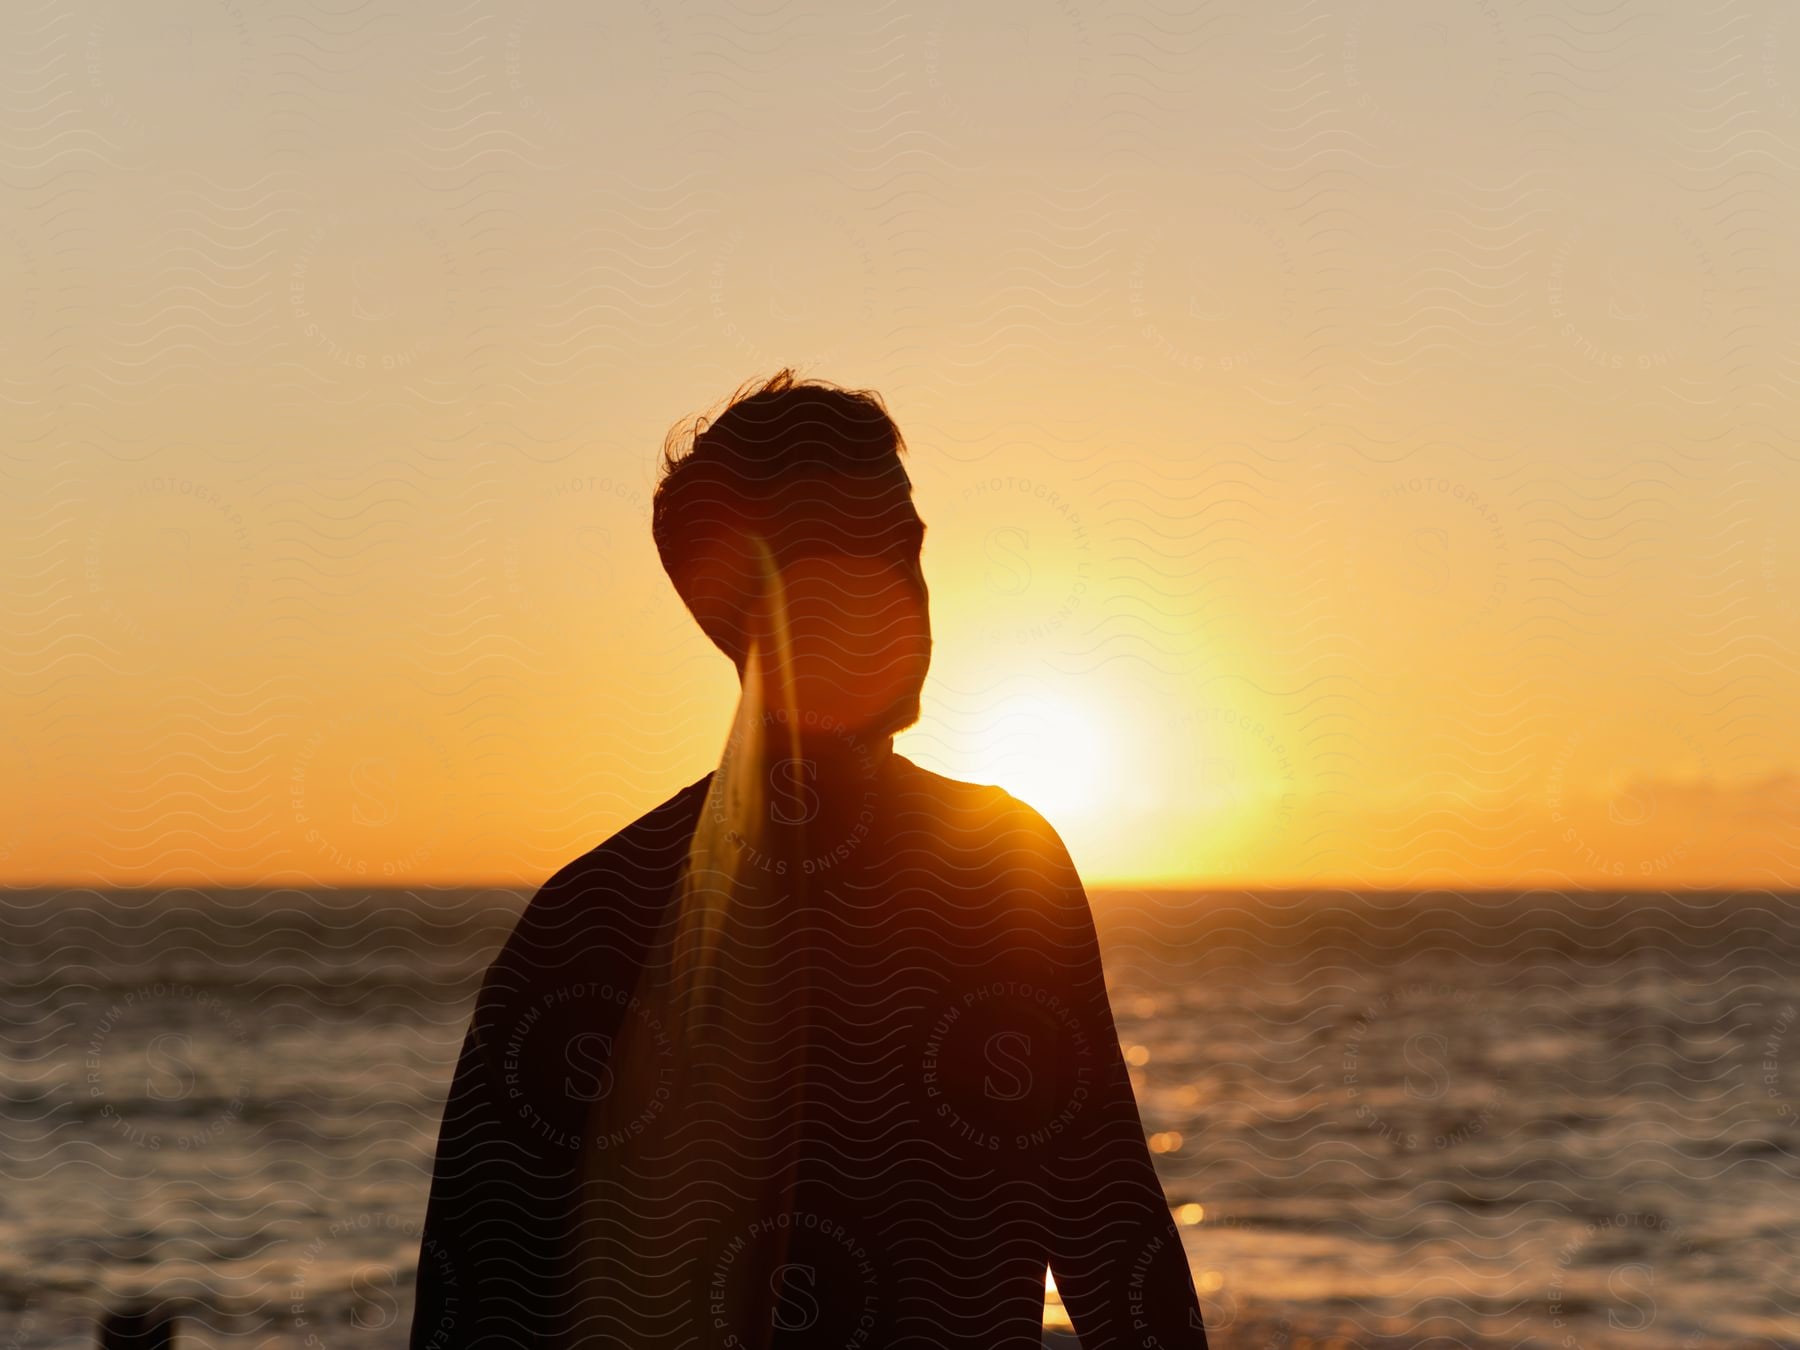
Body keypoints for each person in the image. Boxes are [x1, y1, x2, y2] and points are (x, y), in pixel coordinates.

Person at [409, 371, 1207, 1349]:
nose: (903, 597)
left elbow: (1115, 1243)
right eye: (854, 558)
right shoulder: (989, 872)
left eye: (906, 551)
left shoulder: (584, 912)